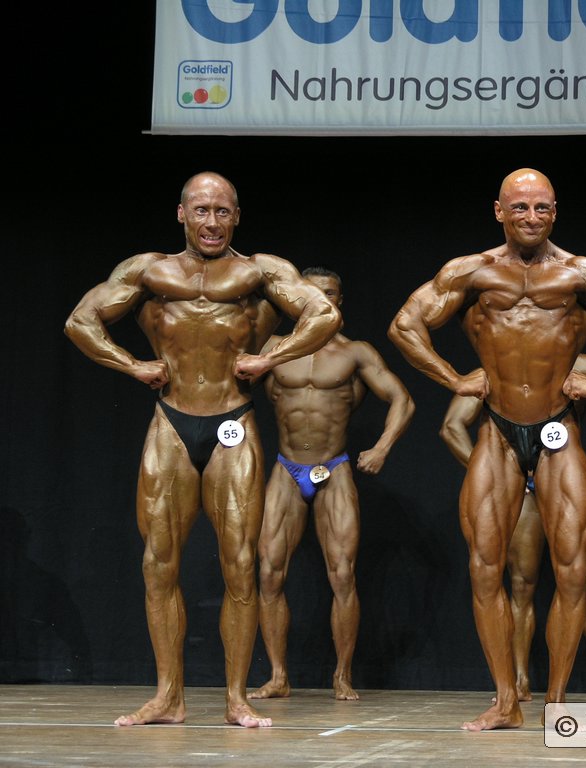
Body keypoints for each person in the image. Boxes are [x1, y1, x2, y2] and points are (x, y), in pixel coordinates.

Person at [388, 168, 586, 730]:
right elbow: (405, 325)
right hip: (496, 429)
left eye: (542, 207)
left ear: (555, 212)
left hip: (557, 430)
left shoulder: (582, 274)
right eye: (519, 207)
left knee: (573, 572)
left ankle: (557, 699)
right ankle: (505, 701)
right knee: (484, 568)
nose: (531, 217)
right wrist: (452, 378)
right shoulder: (470, 272)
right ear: (499, 211)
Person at [64, 172, 342, 728]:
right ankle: (168, 696)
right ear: (181, 214)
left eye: (221, 211)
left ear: (236, 216)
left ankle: (236, 699)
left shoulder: (259, 272)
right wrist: (131, 365)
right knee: (158, 564)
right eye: (201, 210)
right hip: (170, 422)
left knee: (240, 565)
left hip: (232, 422)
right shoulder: (149, 271)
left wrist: (271, 357)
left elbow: (325, 314)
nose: (211, 222)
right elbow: (80, 320)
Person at [249, 266, 415, 702]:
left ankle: (342, 675)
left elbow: (402, 399)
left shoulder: (355, 353)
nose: (322, 299)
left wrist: (382, 447)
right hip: (286, 469)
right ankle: (278, 676)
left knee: (342, 574)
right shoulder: (272, 349)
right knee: (268, 573)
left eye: (330, 293)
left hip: (334, 468)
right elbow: (227, 390)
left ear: (339, 302)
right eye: (312, 291)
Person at [440, 353, 586, 703]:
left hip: (563, 476)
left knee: (585, 578)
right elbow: (451, 425)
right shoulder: (496, 368)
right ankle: (520, 680)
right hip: (524, 486)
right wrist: (494, 474)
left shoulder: (585, 366)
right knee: (521, 583)